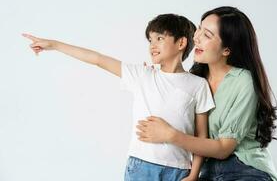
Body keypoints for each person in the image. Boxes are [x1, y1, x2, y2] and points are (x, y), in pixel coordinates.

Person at [22, 13, 215, 181]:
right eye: (150, 40)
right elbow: (97, 59)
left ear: (181, 43)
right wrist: (54, 45)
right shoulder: (142, 75)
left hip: (179, 170)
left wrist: (193, 175)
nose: (152, 45)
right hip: (141, 167)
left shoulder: (198, 85)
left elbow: (201, 136)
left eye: (159, 39)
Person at [136, 7, 277, 181]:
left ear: (226, 50)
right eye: (199, 29)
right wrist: (156, 79)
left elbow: (224, 148)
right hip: (207, 172)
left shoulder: (243, 81)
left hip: (245, 169)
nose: (196, 38)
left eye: (207, 35)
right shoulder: (195, 81)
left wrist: (171, 135)